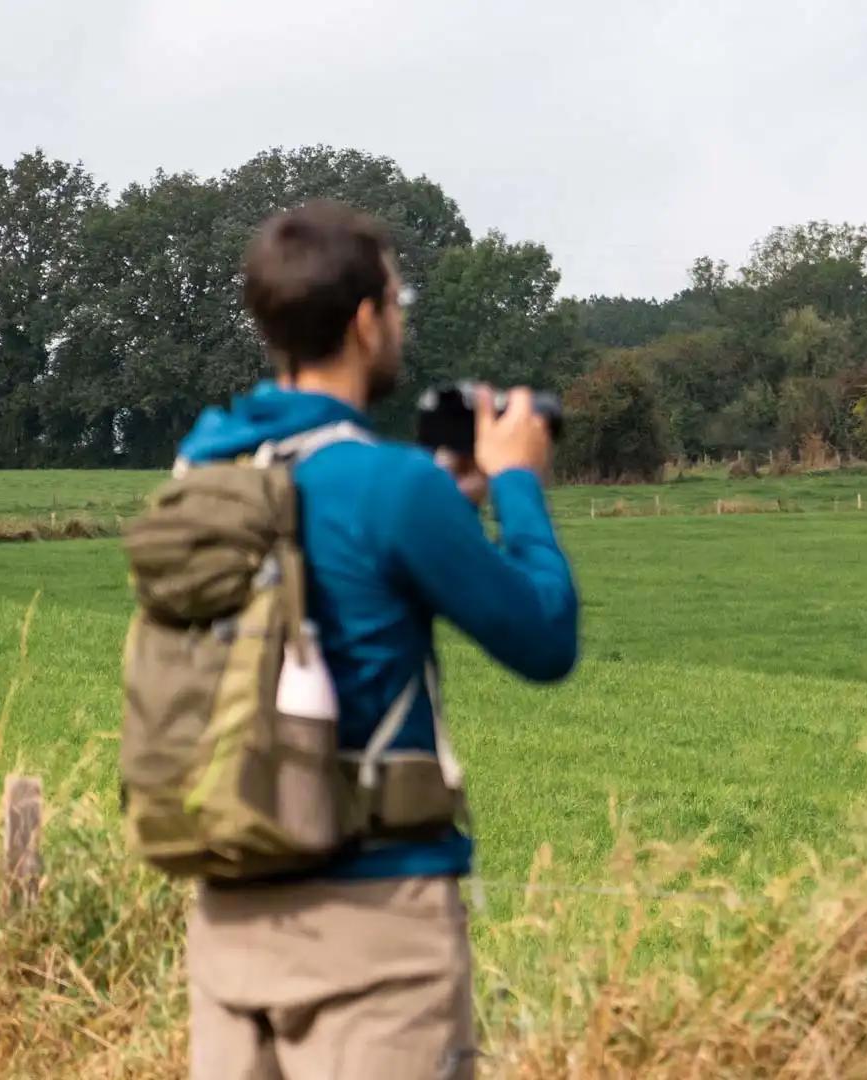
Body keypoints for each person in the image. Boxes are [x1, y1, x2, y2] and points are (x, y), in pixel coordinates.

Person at [175, 200, 578, 1078]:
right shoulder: (390, 488)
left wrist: (439, 505)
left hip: (232, 917)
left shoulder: (206, 469)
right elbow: (546, 637)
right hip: (372, 933)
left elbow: (335, 562)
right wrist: (515, 485)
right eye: (397, 303)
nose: (398, 321)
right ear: (365, 321)